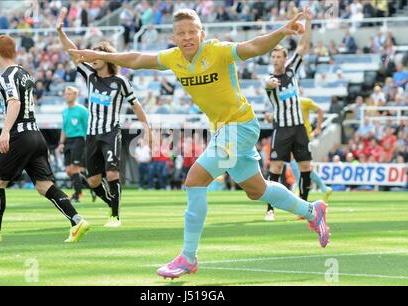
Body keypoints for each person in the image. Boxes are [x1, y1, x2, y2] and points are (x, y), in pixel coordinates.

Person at [70, 8, 329, 280]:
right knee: (257, 189)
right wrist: (100, 55)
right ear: (173, 37)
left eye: (192, 32)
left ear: (201, 33)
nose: (187, 37)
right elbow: (135, 58)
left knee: (195, 179)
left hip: (240, 126)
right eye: (181, 33)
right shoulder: (173, 58)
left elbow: (252, 46)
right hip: (223, 130)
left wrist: (282, 32)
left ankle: (188, 257)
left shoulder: (216, 50)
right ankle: (313, 211)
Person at [0, 35, 89, 243]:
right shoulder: (23, 73)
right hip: (36, 135)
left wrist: (5, 131)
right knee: (43, 185)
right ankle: (77, 220)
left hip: (19, 135)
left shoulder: (6, 75)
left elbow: (14, 102)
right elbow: (4, 93)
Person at [57, 8, 151, 227]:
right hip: (92, 134)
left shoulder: (121, 82)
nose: (92, 57)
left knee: (111, 172)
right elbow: (72, 51)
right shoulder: (90, 76)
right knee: (93, 181)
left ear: (106, 58)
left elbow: (136, 105)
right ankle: (111, 202)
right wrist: (60, 32)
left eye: (97, 54)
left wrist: (146, 126)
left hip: (111, 132)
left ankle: (115, 216)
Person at [263, 9, 314, 221]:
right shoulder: (269, 79)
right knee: (275, 168)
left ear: (285, 58)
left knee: (305, 167)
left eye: (278, 56)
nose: (275, 60)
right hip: (281, 129)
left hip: (299, 127)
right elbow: (267, 85)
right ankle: (270, 209)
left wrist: (308, 22)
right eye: (273, 57)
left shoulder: (292, 69)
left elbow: (303, 46)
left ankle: (304, 207)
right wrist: (269, 83)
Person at [57, 86, 90, 203]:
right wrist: (61, 143)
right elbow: (64, 129)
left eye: (70, 94)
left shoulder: (82, 110)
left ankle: (77, 194)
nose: (67, 96)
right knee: (68, 171)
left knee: (75, 168)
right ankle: (91, 185)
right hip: (68, 141)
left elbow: (88, 128)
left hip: (79, 140)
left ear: (76, 95)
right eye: (66, 94)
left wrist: (89, 143)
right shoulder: (65, 111)